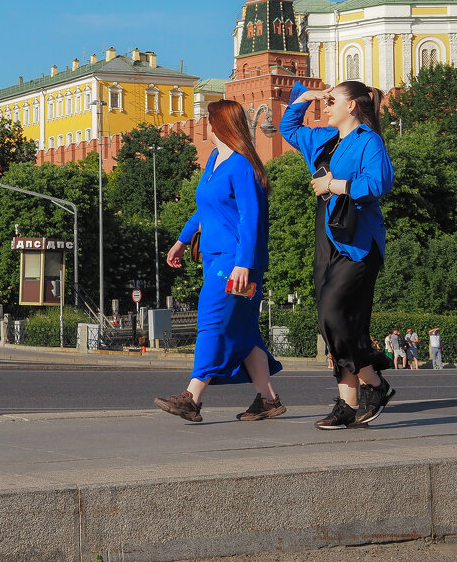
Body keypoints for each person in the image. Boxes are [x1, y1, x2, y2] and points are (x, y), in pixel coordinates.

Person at [155, 99, 283, 423]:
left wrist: (244, 262)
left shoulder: (241, 165)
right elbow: (205, 207)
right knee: (245, 331)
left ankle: (192, 396)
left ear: (219, 125)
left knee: (210, 322)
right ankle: (268, 400)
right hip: (215, 258)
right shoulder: (215, 159)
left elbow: (250, 217)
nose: (205, 125)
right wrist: (182, 240)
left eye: (208, 120)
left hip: (236, 262)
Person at [281, 80, 394, 429]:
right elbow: (288, 128)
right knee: (336, 322)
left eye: (332, 101)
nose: (325, 107)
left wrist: (335, 185)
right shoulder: (323, 139)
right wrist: (303, 98)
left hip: (359, 241)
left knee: (335, 313)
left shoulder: (368, 141)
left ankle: (374, 382)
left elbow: (379, 183)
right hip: (327, 236)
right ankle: (348, 403)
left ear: (353, 107)